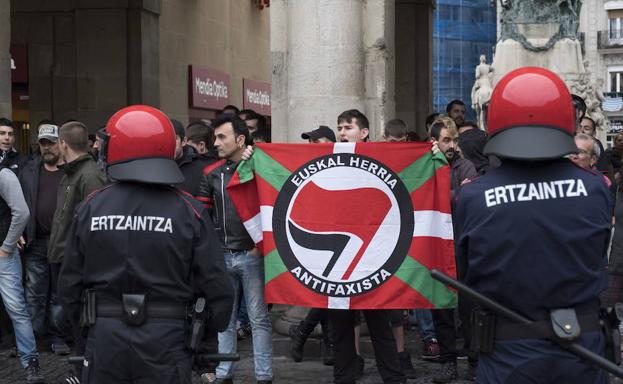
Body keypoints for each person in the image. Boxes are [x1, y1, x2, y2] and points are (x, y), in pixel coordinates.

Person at [454, 67, 611, 383]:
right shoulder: (595, 189)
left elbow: (465, 277)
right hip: (582, 348)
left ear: (494, 123)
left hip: (506, 354)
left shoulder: (472, 197)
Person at [58, 105, 234, 383]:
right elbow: (218, 288)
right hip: (167, 338)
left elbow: (68, 285)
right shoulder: (189, 211)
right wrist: (202, 341)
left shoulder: (91, 208)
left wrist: (85, 336)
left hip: (105, 337)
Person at [330, 109, 406, 384]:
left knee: (379, 327)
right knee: (340, 329)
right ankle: (344, 377)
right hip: (338, 266)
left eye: (348, 127)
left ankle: (394, 378)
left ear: (364, 133)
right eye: (339, 127)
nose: (342, 132)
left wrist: (432, 155)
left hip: (372, 261)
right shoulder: (329, 161)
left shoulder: (383, 160)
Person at [198, 114, 273, 384]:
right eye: (215, 137)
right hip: (222, 256)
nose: (215, 142)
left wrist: (257, 246)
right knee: (224, 319)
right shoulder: (211, 173)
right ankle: (223, 374)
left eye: (222, 137)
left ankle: (264, 377)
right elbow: (202, 217)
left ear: (240, 139)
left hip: (251, 255)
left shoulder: (257, 165)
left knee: (258, 319)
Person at [47, 121, 107, 354]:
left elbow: (95, 224)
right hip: (63, 258)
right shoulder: (70, 174)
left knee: (83, 323)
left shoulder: (90, 176)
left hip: (76, 262)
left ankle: (87, 369)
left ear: (63, 143)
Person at [0, 139, 45, 383]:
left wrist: (7, 245)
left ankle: (31, 362)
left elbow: (22, 212)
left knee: (17, 309)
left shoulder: (4, 174)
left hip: (2, 256)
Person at [19, 123, 64, 341]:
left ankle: (58, 335)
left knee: (59, 292)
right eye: (43, 143)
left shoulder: (70, 171)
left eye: (51, 143)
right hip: (36, 240)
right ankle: (33, 337)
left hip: (62, 242)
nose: (47, 147)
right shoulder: (29, 170)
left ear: (61, 144)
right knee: (34, 291)